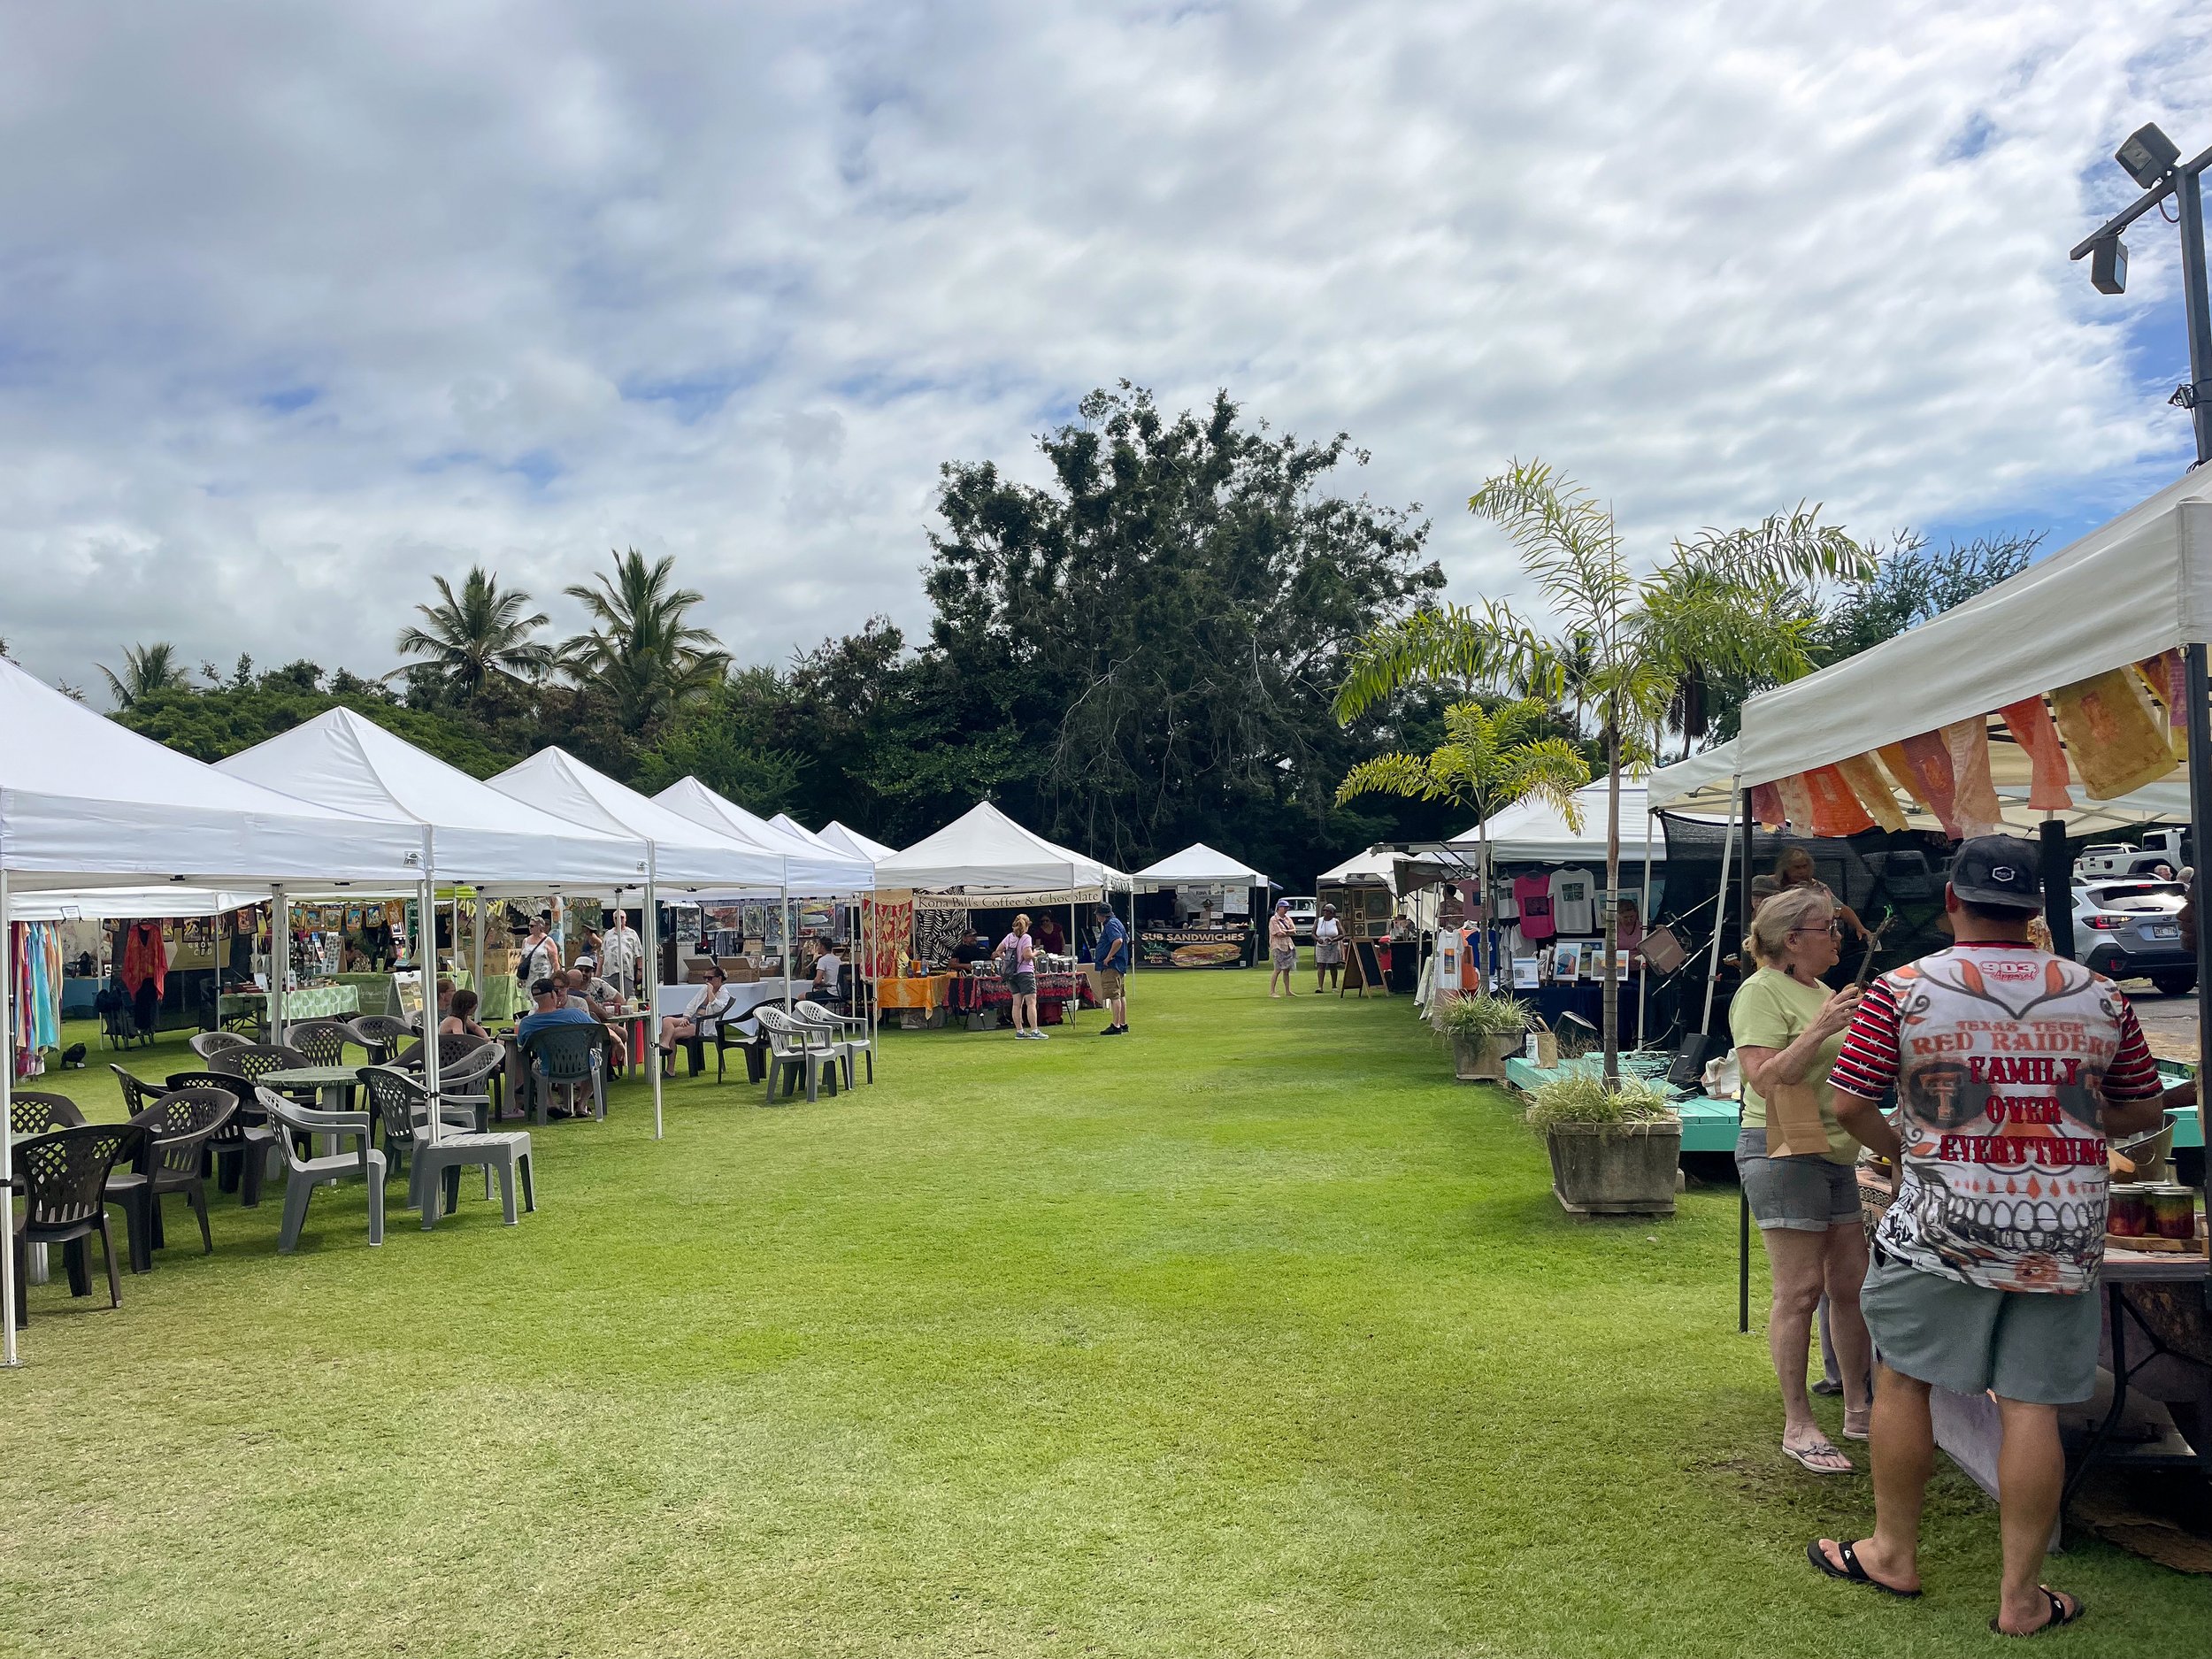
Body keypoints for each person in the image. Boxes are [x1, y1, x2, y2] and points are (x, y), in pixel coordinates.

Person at [1811, 835, 2170, 1635]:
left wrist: (1904, 1152)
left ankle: (1892, 1554)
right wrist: (2069, 1115)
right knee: (2032, 1405)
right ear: (2035, 909)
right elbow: (2145, 1110)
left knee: (1905, 1380)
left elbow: (1848, 1103)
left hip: (1940, 1225)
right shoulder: (2103, 995)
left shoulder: (1901, 989)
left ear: (1952, 901)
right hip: (2061, 1230)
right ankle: (2022, 1598)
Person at [1728, 885, 1872, 1475]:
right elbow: (1764, 1079)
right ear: (1793, 939)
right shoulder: (1760, 991)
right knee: (1800, 1291)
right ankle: (1798, 1424)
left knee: (1850, 1285)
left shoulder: (1818, 991)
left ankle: (1860, 1408)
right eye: (1827, 928)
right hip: (1782, 1147)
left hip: (1833, 1149)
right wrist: (1821, 1028)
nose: (1839, 936)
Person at [515, 976, 604, 1118]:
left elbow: (522, 1044)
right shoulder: (575, 1014)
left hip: (549, 1067)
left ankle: (549, 1102)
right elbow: (598, 1031)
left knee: (535, 1065)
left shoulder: (527, 1023)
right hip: (582, 1064)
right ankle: (582, 1104)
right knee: (596, 1058)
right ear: (553, 994)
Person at [1773, 847, 1868, 941]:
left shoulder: (1818, 887)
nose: (1802, 871)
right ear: (1785, 868)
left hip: (1818, 938)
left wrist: (1860, 928)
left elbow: (1841, 909)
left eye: (1804, 866)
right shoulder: (1773, 886)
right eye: (1797, 867)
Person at [657, 966, 735, 1062]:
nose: (707, 981)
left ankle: (670, 1067)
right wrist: (686, 1018)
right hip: (693, 1019)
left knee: (671, 1034)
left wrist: (710, 992)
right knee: (667, 1020)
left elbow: (717, 1009)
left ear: (719, 978)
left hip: (702, 1024)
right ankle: (664, 1045)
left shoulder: (724, 993)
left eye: (709, 978)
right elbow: (692, 1005)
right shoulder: (704, 989)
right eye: (705, 978)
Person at [1000, 913, 1042, 1039]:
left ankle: (1020, 1031)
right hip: (1025, 972)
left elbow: (998, 951)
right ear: (1027, 925)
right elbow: (1027, 956)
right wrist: (1036, 953)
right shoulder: (1026, 938)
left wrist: (1007, 960)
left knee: (1016, 1003)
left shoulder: (1009, 937)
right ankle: (1034, 1030)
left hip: (1011, 973)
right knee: (1031, 1002)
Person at [1090, 902, 1128, 1034]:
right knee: (1120, 994)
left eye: (1098, 915)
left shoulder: (1111, 925)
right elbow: (1125, 939)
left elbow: (1118, 940)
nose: (1097, 917)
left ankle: (1116, 1026)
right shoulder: (1117, 922)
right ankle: (1123, 1023)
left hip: (1112, 965)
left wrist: (1108, 956)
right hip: (1119, 964)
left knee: (1113, 995)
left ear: (1102, 915)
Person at [602, 909, 645, 999]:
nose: (619, 919)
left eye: (621, 917)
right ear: (613, 919)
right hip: (609, 973)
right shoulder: (608, 934)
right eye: (616, 918)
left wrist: (640, 970)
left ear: (625, 919)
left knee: (628, 999)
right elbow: (602, 954)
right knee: (608, 999)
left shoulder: (632, 933)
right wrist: (598, 972)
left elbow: (639, 954)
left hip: (626, 973)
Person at [515, 916, 558, 987]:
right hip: (529, 978)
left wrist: (557, 978)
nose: (530, 928)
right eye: (529, 926)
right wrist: (520, 976)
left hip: (544, 977)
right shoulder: (526, 941)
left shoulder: (548, 941)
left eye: (532, 926)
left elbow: (555, 962)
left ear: (539, 927)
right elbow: (522, 959)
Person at [1267, 899, 1298, 998]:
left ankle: (1288, 991)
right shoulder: (1273, 920)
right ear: (1279, 908)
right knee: (1277, 969)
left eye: (1287, 908)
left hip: (1288, 945)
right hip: (1278, 946)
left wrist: (1286, 931)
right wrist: (1288, 932)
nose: (1286, 909)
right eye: (1285, 907)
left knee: (1287, 970)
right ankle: (1272, 992)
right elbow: (1278, 934)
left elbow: (1294, 931)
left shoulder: (1288, 919)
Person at [1313, 902, 1344, 991]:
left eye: (1328, 911)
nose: (1325, 913)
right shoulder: (1318, 921)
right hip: (1321, 945)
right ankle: (1320, 987)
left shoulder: (1335, 922)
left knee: (1332, 965)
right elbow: (1313, 933)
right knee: (1321, 965)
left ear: (1332, 913)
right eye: (1324, 911)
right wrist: (1317, 939)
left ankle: (1334, 986)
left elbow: (1342, 934)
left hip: (1332, 946)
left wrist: (1333, 939)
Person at [810, 934, 844, 1005]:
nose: (817, 947)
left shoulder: (822, 960)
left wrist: (814, 982)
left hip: (830, 992)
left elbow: (818, 980)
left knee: (801, 996)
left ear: (822, 947)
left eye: (818, 945)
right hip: (839, 992)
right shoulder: (838, 959)